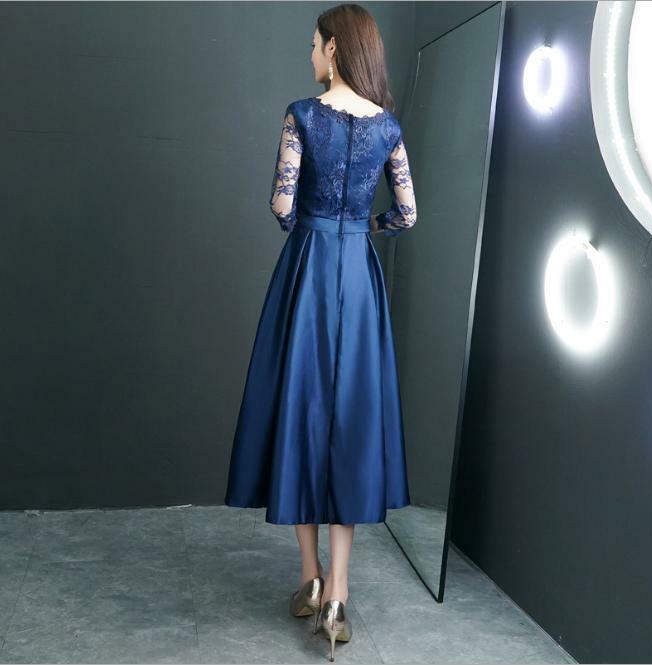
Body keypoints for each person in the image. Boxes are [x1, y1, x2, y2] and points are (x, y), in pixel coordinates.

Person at [224, 3, 417, 661]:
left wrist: (307, 221)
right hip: (358, 279)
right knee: (351, 420)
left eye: (314, 44)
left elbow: (282, 203)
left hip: (307, 272)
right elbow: (407, 213)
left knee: (301, 409)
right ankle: (338, 592)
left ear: (334, 49)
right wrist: (363, 228)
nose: (309, 54)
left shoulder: (301, 115)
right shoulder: (388, 126)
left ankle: (308, 577)